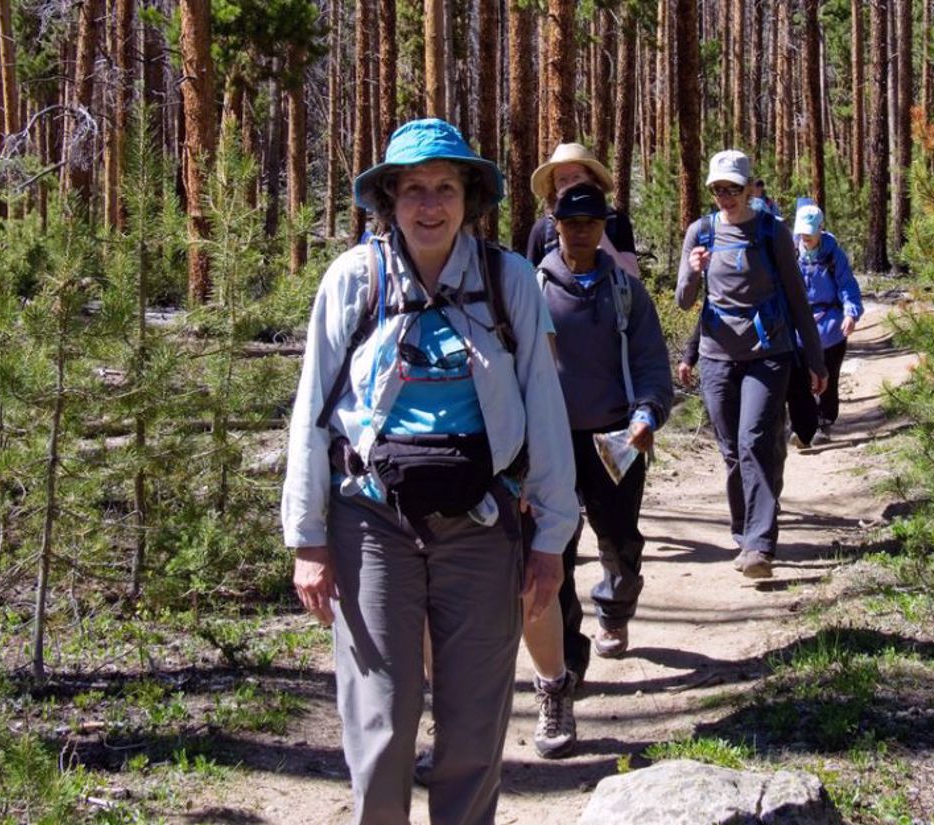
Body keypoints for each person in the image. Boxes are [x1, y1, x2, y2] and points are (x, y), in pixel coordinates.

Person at [284, 118, 578, 825]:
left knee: (474, 731)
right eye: (412, 188)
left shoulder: (509, 281)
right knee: (381, 727)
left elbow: (545, 407)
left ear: (468, 197)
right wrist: (307, 539)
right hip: (371, 523)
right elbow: (310, 411)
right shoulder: (354, 279)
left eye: (444, 187)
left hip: (483, 526)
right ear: (388, 199)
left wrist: (551, 539)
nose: (429, 204)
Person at [524, 182, 674, 757]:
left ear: (604, 227)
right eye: (572, 221)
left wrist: (648, 413)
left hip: (617, 438)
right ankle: (564, 664)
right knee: (552, 557)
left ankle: (615, 604)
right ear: (554, 224)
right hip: (550, 445)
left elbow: (651, 363)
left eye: (592, 222)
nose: (582, 231)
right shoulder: (530, 290)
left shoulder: (626, 292)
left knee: (617, 539)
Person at [676, 150, 826, 580]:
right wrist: (692, 270)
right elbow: (684, 301)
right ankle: (744, 533)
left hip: (769, 353)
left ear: (748, 188)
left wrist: (814, 358)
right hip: (717, 357)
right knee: (731, 450)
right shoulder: (700, 233)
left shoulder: (771, 231)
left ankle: (760, 544)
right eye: (718, 190)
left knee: (755, 440)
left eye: (733, 189)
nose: (726, 197)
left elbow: (797, 296)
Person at [790, 204, 863, 444]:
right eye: (802, 232)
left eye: (810, 232)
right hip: (799, 328)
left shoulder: (834, 256)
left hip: (831, 329)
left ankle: (824, 423)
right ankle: (801, 428)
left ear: (821, 228)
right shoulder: (790, 253)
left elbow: (847, 287)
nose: (805, 237)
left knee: (827, 379)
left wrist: (850, 314)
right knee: (799, 381)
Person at [523, 142, 642, 278]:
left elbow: (633, 277)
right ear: (554, 188)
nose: (570, 186)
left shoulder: (615, 222)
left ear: (592, 180)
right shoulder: (543, 231)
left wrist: (599, 236)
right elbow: (530, 285)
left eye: (576, 177)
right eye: (562, 180)